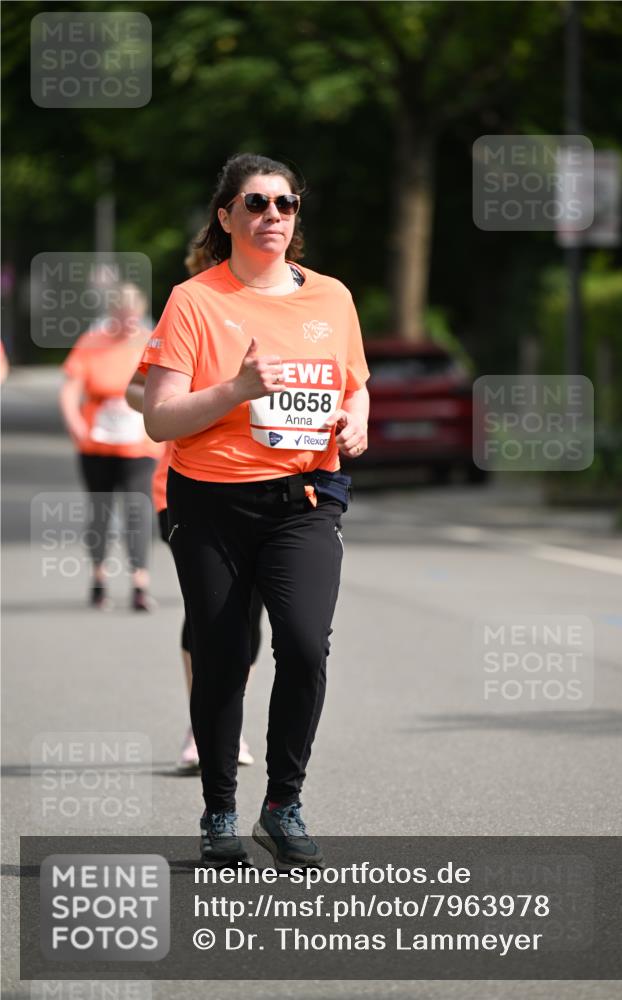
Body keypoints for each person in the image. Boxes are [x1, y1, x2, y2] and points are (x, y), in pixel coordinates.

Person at [141, 152, 370, 868]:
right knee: (222, 653)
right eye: (256, 203)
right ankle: (218, 811)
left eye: (285, 204)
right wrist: (236, 389)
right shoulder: (194, 301)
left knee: (303, 646)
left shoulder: (330, 297)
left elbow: (353, 384)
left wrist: (359, 418)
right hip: (210, 503)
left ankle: (283, 803)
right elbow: (159, 419)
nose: (272, 215)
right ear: (226, 216)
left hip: (303, 499)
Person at [126, 235, 259, 771]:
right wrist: (198, 397)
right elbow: (137, 392)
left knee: (250, 614)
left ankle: (228, 719)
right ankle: (201, 724)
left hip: (263, 482)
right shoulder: (190, 305)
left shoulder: (288, 308)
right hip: (184, 482)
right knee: (210, 607)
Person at [60, 283, 163, 611]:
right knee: (100, 511)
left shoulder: (151, 340)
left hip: (140, 445)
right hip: (97, 443)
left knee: (138, 510)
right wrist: (74, 420)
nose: (127, 326)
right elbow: (70, 388)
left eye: (132, 319)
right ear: (111, 314)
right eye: (121, 319)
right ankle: (99, 579)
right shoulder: (93, 342)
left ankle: (139, 584)